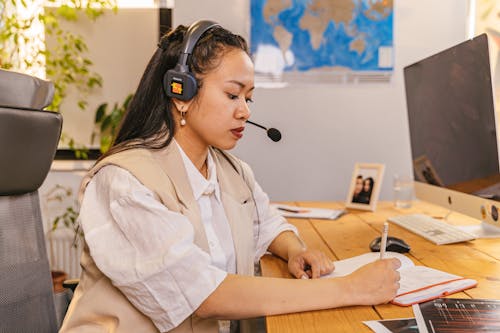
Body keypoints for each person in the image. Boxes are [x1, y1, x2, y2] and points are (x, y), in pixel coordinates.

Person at [60, 20, 401, 333]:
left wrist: (295, 250)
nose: (245, 111)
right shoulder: (123, 182)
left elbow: (268, 225)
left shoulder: (232, 171)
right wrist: (351, 288)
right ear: (181, 92)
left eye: (249, 98)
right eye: (232, 94)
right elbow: (204, 295)